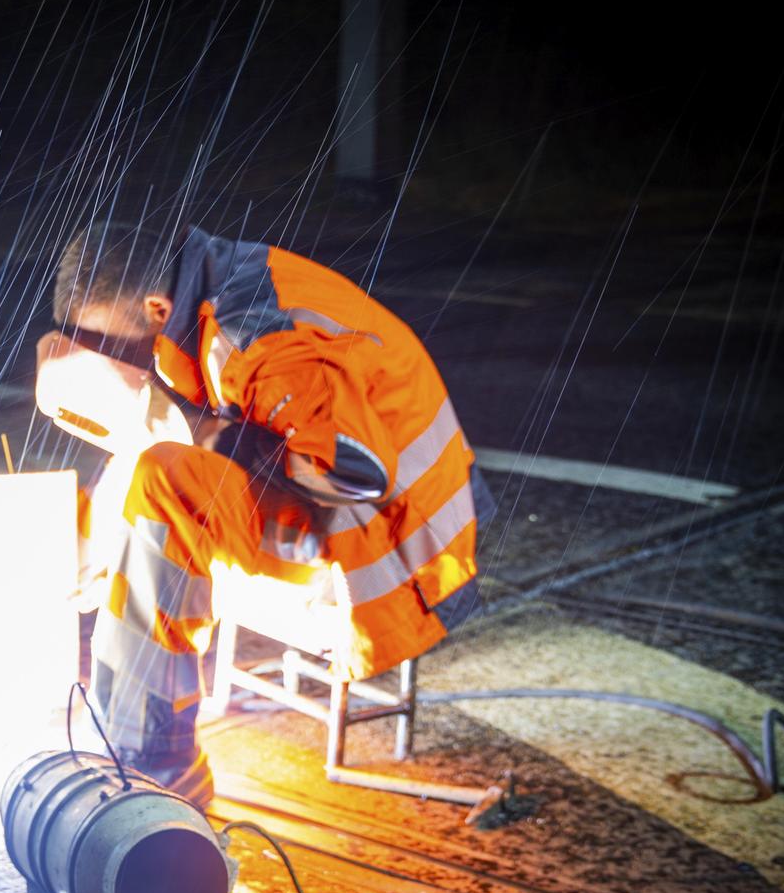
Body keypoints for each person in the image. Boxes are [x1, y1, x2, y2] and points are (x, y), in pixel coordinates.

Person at [38, 222, 494, 808]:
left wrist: (200, 434)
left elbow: (352, 472)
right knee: (147, 473)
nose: (103, 351)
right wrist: (101, 533)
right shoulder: (206, 288)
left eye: (101, 337)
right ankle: (125, 702)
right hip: (387, 523)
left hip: (390, 564)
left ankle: (152, 761)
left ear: (155, 306)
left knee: (165, 486)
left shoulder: (252, 332)